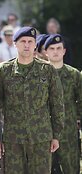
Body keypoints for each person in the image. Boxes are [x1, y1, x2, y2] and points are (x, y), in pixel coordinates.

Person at [0, 27, 65, 174]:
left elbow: (57, 104)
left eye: (30, 41)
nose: (27, 45)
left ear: (35, 44)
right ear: (15, 44)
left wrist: (56, 136)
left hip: (41, 138)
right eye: (23, 41)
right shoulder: (3, 70)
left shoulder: (47, 70)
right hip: (12, 140)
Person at [44, 34, 82, 174]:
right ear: (45, 52)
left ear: (64, 51)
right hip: (43, 133)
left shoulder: (74, 75)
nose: (55, 51)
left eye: (59, 48)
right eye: (52, 48)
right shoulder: (38, 75)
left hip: (68, 132)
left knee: (71, 169)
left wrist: (75, 118)